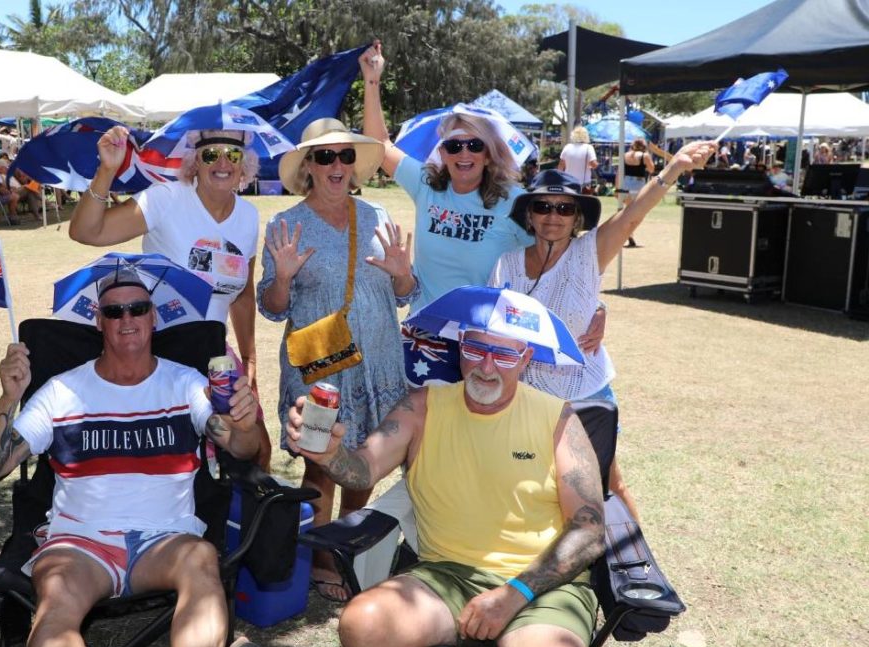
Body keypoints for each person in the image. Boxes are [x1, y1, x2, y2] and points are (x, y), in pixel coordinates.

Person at [0, 267, 276, 647]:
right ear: (100, 322)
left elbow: (244, 450)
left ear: (154, 318)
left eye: (138, 308)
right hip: (80, 541)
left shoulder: (187, 384)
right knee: (57, 597)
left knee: (202, 559)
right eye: (114, 311)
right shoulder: (62, 392)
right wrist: (8, 399)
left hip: (165, 540)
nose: (127, 318)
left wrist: (246, 422)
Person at [286, 323, 607, 647]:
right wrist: (329, 454)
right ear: (460, 350)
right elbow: (360, 472)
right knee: (364, 624)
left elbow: (590, 528)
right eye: (476, 348)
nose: (487, 365)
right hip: (446, 575)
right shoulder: (422, 407)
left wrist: (513, 593)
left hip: (542, 584)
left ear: (527, 359)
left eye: (504, 355)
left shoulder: (557, 418)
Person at [491, 141, 716, 525]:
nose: (553, 216)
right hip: (528, 395)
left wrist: (672, 170)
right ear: (529, 215)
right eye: (543, 206)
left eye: (564, 208)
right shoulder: (506, 264)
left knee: (608, 481)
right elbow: (497, 326)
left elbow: (631, 217)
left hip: (585, 392)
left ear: (577, 218)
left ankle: (637, 566)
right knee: (540, 484)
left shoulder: (589, 252)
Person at [258, 118, 416, 602]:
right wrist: (282, 277)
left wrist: (402, 275)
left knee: (365, 455)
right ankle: (322, 558)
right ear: (308, 165)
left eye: (345, 156)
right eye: (325, 156)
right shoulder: (285, 225)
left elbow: (406, 295)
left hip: (379, 361)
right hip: (321, 367)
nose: (336, 165)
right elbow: (270, 306)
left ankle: (348, 543)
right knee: (320, 463)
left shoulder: (377, 215)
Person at [68, 125, 271, 468]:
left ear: (244, 165)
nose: (222, 162)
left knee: (256, 450)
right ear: (194, 161)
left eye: (233, 154)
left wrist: (249, 360)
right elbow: (87, 231)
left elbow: (241, 294)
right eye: (210, 154)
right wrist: (106, 170)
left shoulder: (248, 217)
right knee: (176, 457)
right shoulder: (165, 199)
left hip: (214, 357)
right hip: (160, 354)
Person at [359, 42, 531, 312]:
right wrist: (372, 80)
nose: (464, 154)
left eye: (475, 145)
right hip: (427, 332)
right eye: (454, 146)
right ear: (442, 153)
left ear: (488, 155)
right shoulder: (426, 185)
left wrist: (595, 305)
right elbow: (379, 145)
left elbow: (554, 255)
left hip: (483, 337)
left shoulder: (514, 201)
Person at [619, 138, 655, 248]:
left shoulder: (625, 155)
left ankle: (629, 234)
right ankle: (629, 233)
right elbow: (652, 169)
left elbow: (620, 171)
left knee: (628, 211)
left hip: (626, 182)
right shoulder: (644, 156)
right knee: (638, 212)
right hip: (638, 184)